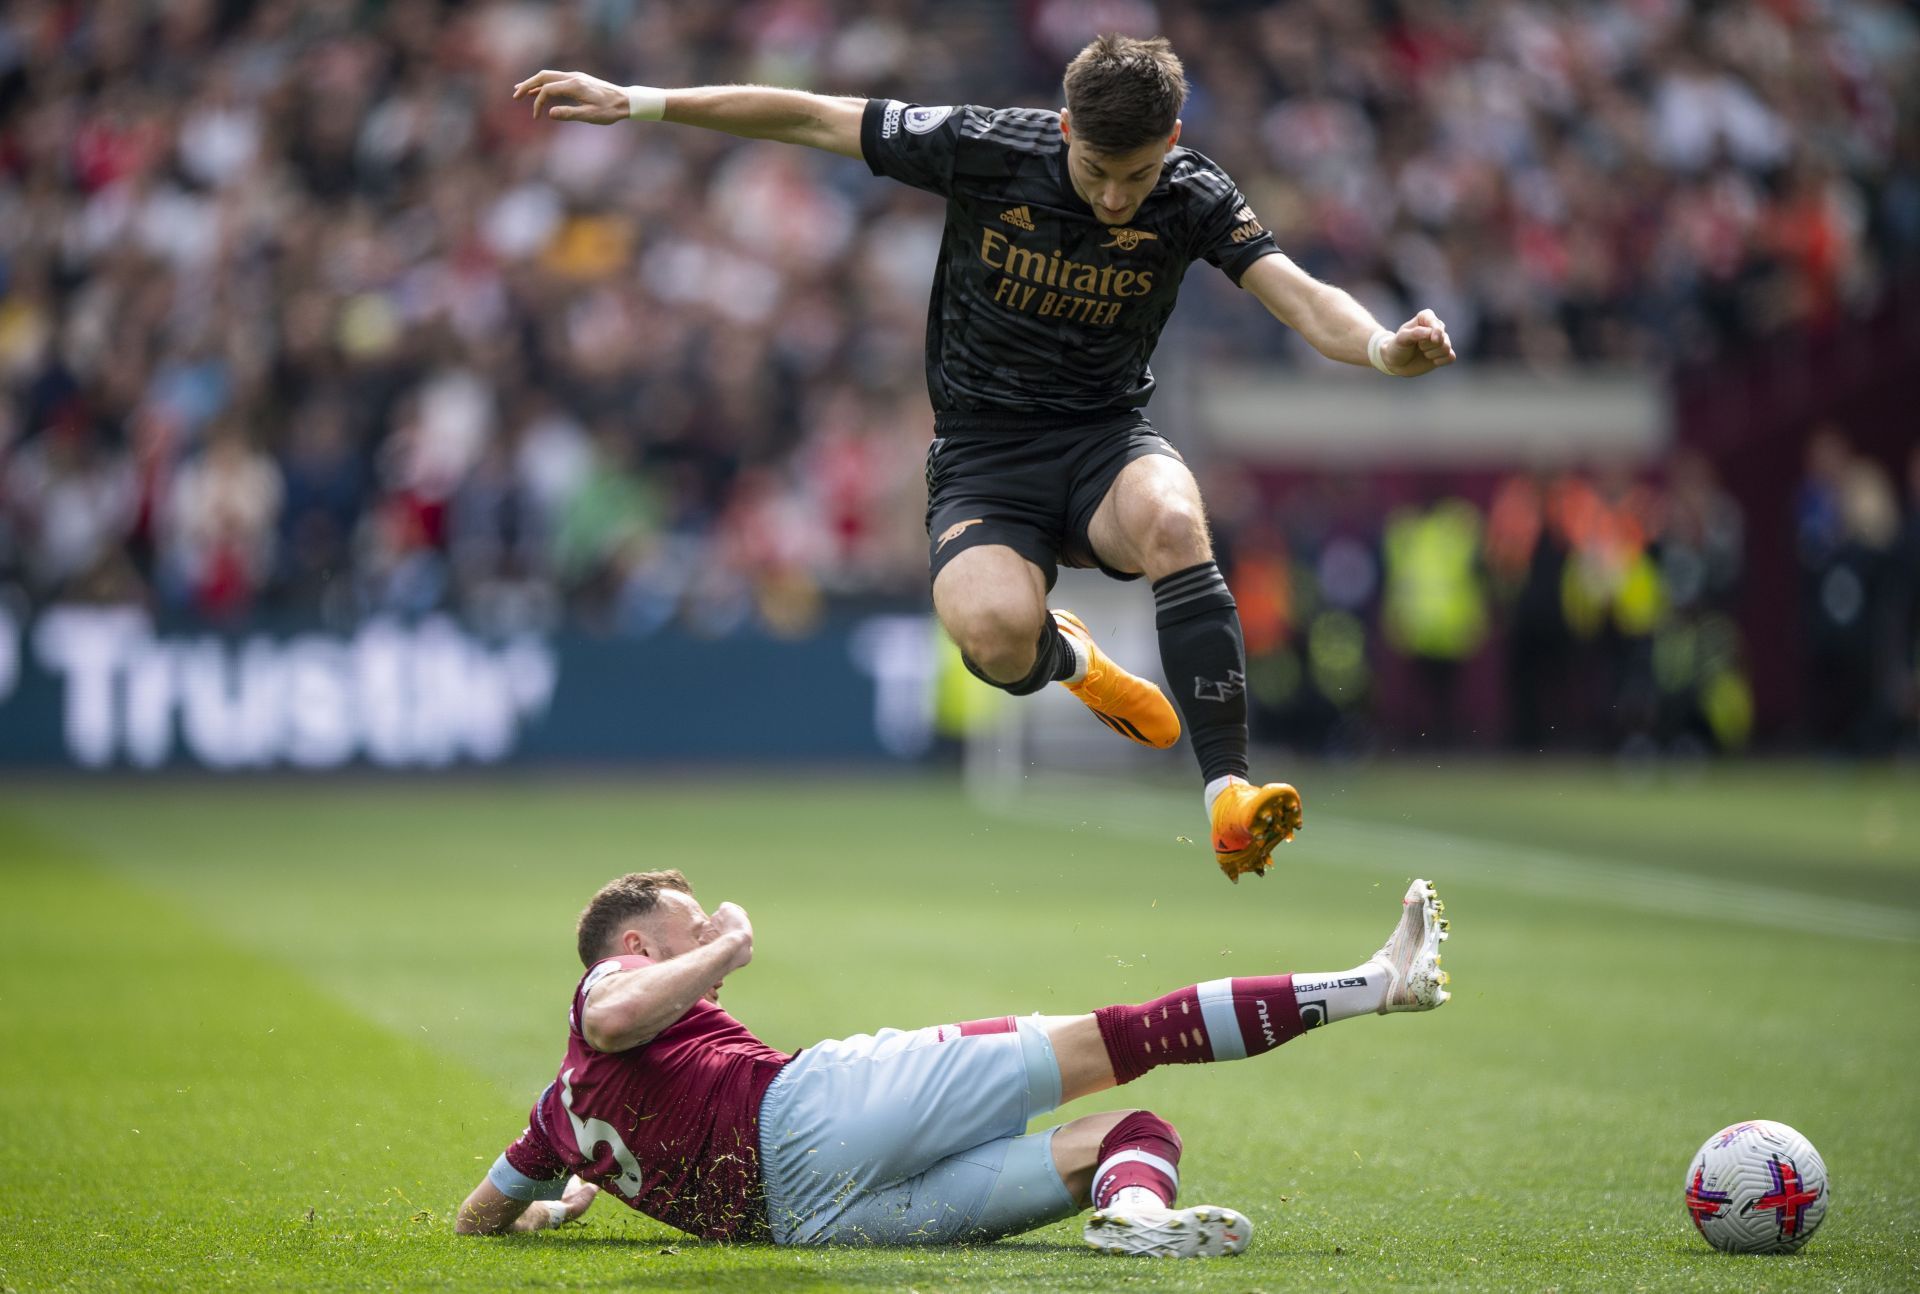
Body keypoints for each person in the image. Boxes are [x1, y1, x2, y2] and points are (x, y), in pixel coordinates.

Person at [511, 36, 1457, 880]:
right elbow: (808, 114)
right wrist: (639, 100)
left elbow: (1294, 295)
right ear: (1061, 129)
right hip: (983, 459)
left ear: (1171, 139)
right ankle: (1071, 658)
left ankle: (1228, 799)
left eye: (1136, 172)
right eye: (1096, 170)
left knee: (1174, 517)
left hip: (1105, 442)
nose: (1117, 197)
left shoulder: (1194, 194)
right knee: (995, 642)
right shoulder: (988, 146)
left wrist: (1380, 347)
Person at [454, 869, 1451, 1255]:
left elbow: (478, 1215)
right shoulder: (604, 996)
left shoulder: (556, 1114)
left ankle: (1135, 1220)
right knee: (1115, 1040)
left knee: (1127, 1136)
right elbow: (624, 1008)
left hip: (806, 1223)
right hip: (807, 1115)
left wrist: (553, 1206)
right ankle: (1373, 984)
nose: (705, 948)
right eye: (684, 929)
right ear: (634, 950)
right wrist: (730, 943)